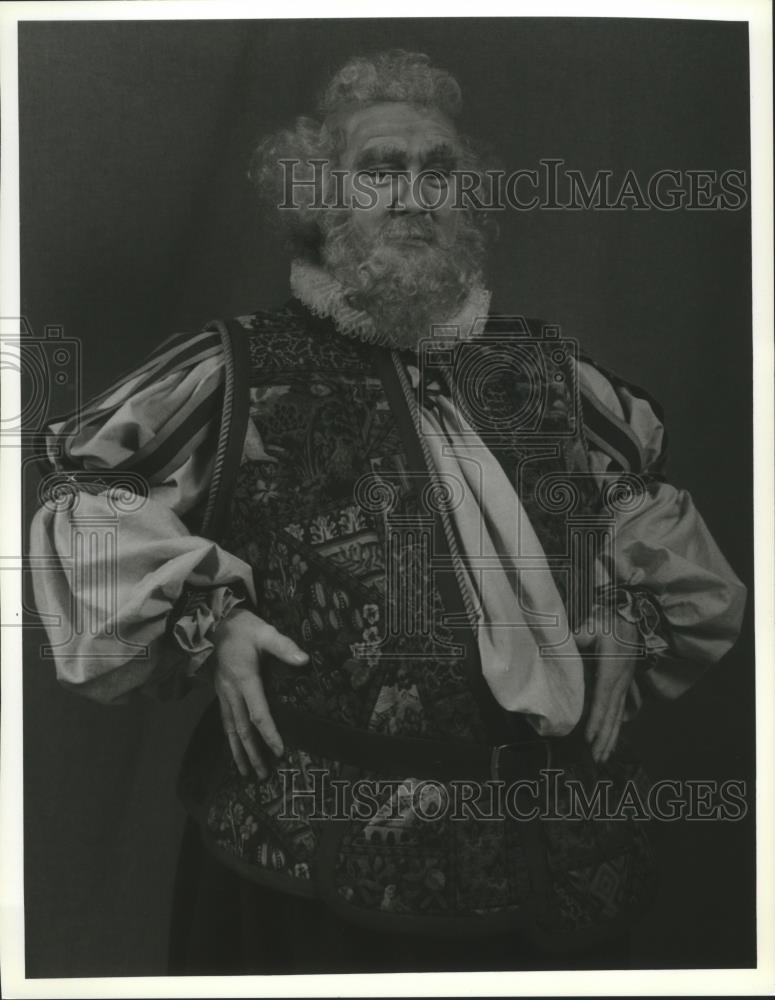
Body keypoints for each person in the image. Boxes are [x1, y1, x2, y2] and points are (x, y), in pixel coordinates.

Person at [30, 50, 747, 974]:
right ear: (320, 198)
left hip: (556, 859)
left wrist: (628, 612)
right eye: (380, 171)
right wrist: (210, 619)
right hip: (309, 870)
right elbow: (81, 497)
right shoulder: (235, 367)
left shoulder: (547, 371)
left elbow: (639, 506)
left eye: (438, 172)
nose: (415, 195)